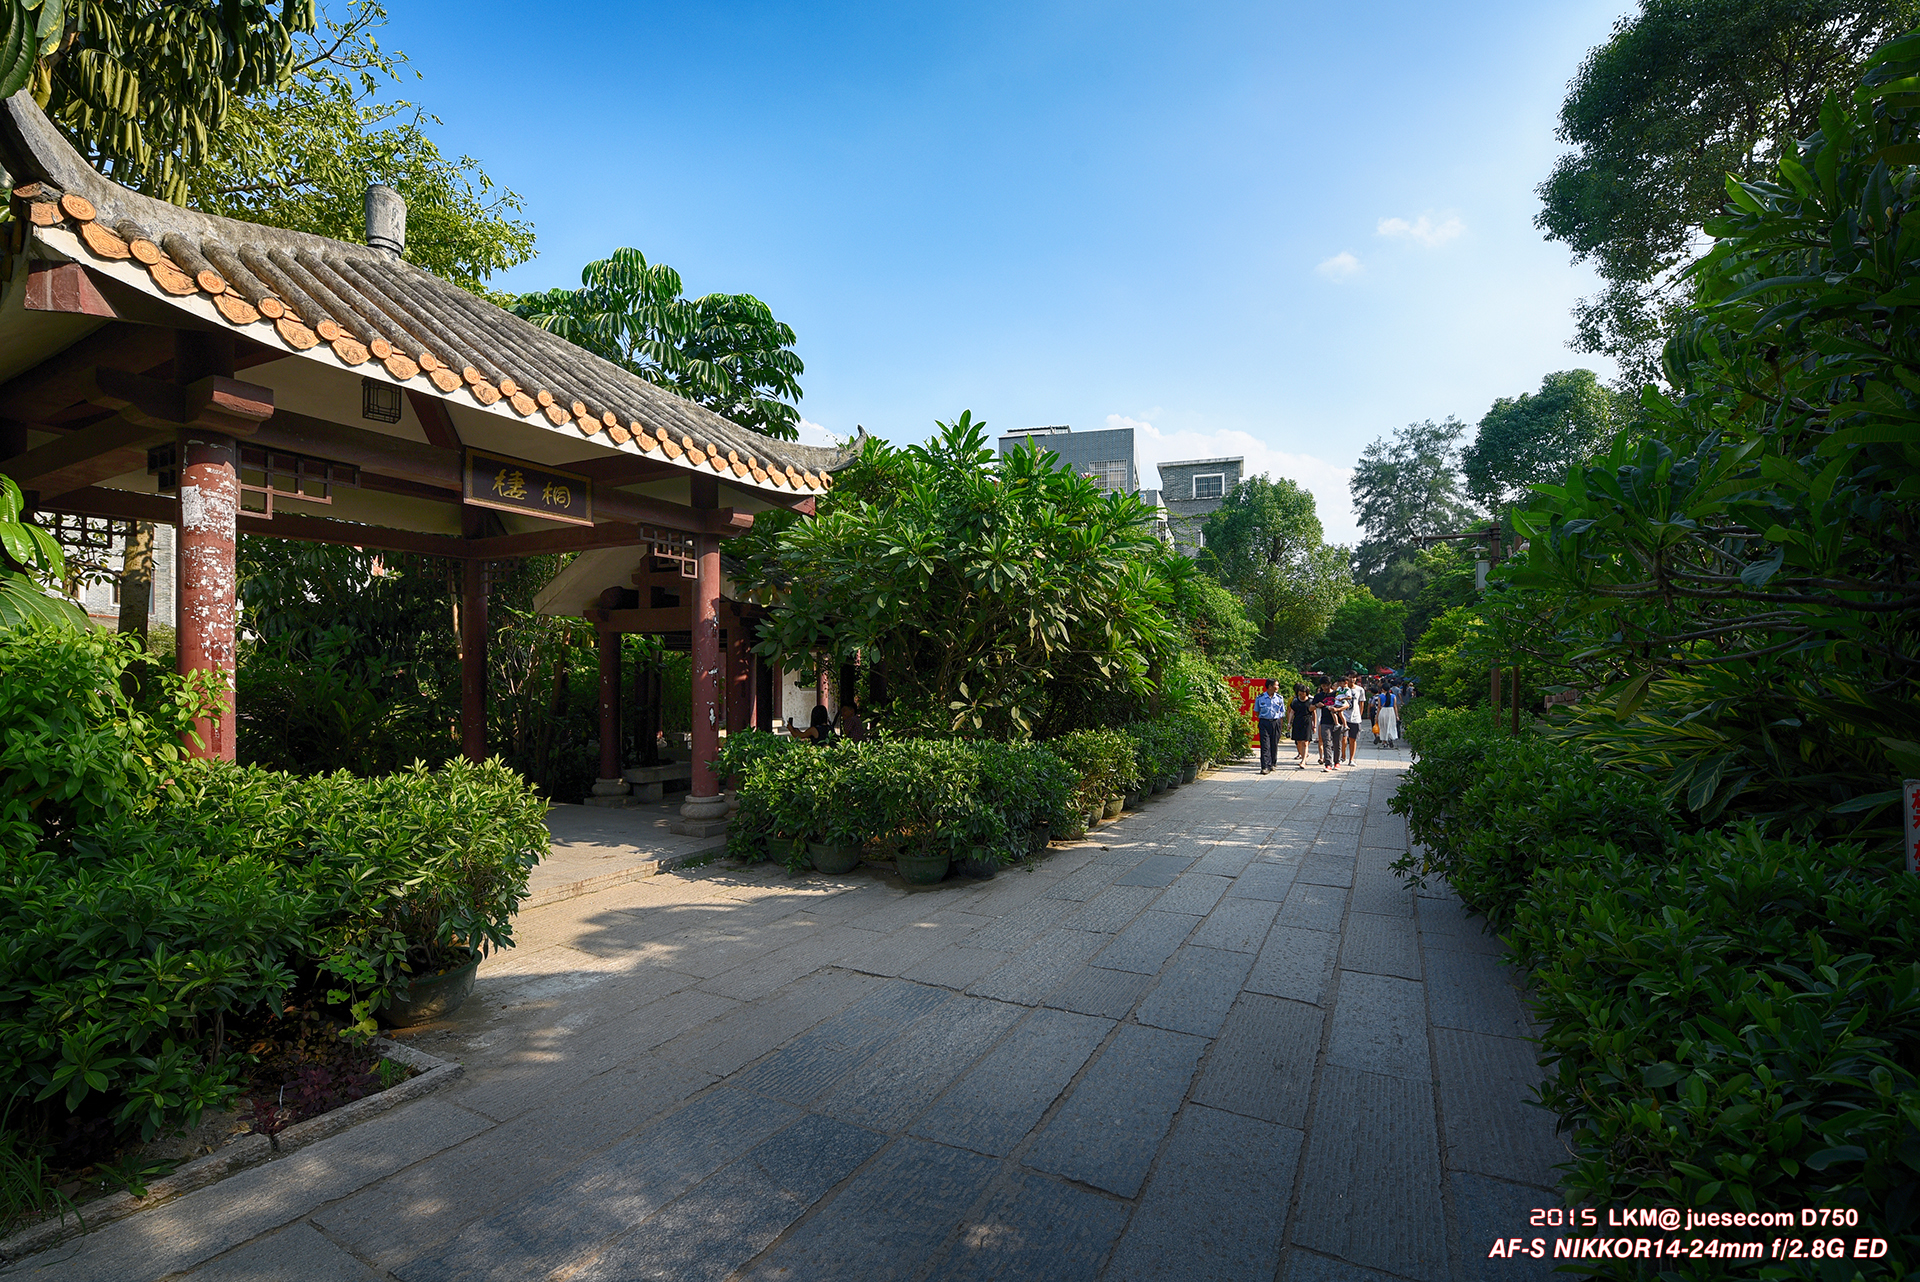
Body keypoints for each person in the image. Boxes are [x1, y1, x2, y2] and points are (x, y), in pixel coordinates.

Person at [1253, 679, 1285, 774]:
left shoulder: (1279, 698)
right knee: (1265, 745)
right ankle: (1265, 766)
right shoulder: (1260, 698)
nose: (1277, 687)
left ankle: (1272, 763)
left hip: (1276, 722)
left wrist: (1281, 727)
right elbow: (1257, 711)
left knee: (1274, 744)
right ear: (1270, 686)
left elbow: (1281, 713)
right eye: (1276, 685)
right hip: (1264, 722)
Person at [1315, 679, 1343, 770]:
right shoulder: (1319, 696)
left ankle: (1337, 762)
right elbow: (1310, 708)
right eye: (1323, 686)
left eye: (1327, 685)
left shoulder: (1337, 694)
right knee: (1327, 742)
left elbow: (1346, 705)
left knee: (1337, 742)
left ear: (1330, 684)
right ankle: (1328, 763)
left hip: (1337, 722)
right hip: (1324, 722)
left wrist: (1337, 710)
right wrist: (1316, 705)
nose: (1325, 688)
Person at [1288, 683, 1315, 769]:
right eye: (1300, 692)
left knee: (1305, 742)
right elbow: (1292, 712)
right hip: (1297, 721)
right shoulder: (1295, 701)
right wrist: (1289, 723)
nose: (1302, 693)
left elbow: (1314, 713)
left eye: (1303, 692)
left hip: (1307, 721)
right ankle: (1302, 754)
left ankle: (1303, 761)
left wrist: (1314, 724)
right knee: (1299, 741)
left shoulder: (1310, 701)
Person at [1344, 676, 1364, 763]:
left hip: (1355, 717)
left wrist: (1360, 714)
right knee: (1343, 738)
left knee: (1353, 738)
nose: (1352, 679)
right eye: (1350, 677)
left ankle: (1351, 759)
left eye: (1354, 677)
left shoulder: (1360, 689)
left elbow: (1361, 703)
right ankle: (1343, 756)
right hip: (1344, 716)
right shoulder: (1343, 689)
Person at [1377, 681, 1400, 748]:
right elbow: (1395, 706)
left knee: (1383, 726)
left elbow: (1379, 707)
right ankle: (1390, 738)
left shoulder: (1380, 696)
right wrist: (1397, 715)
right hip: (1391, 711)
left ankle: (1384, 742)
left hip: (1383, 711)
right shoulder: (1393, 696)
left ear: (1383, 689)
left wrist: (1377, 716)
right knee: (1391, 726)